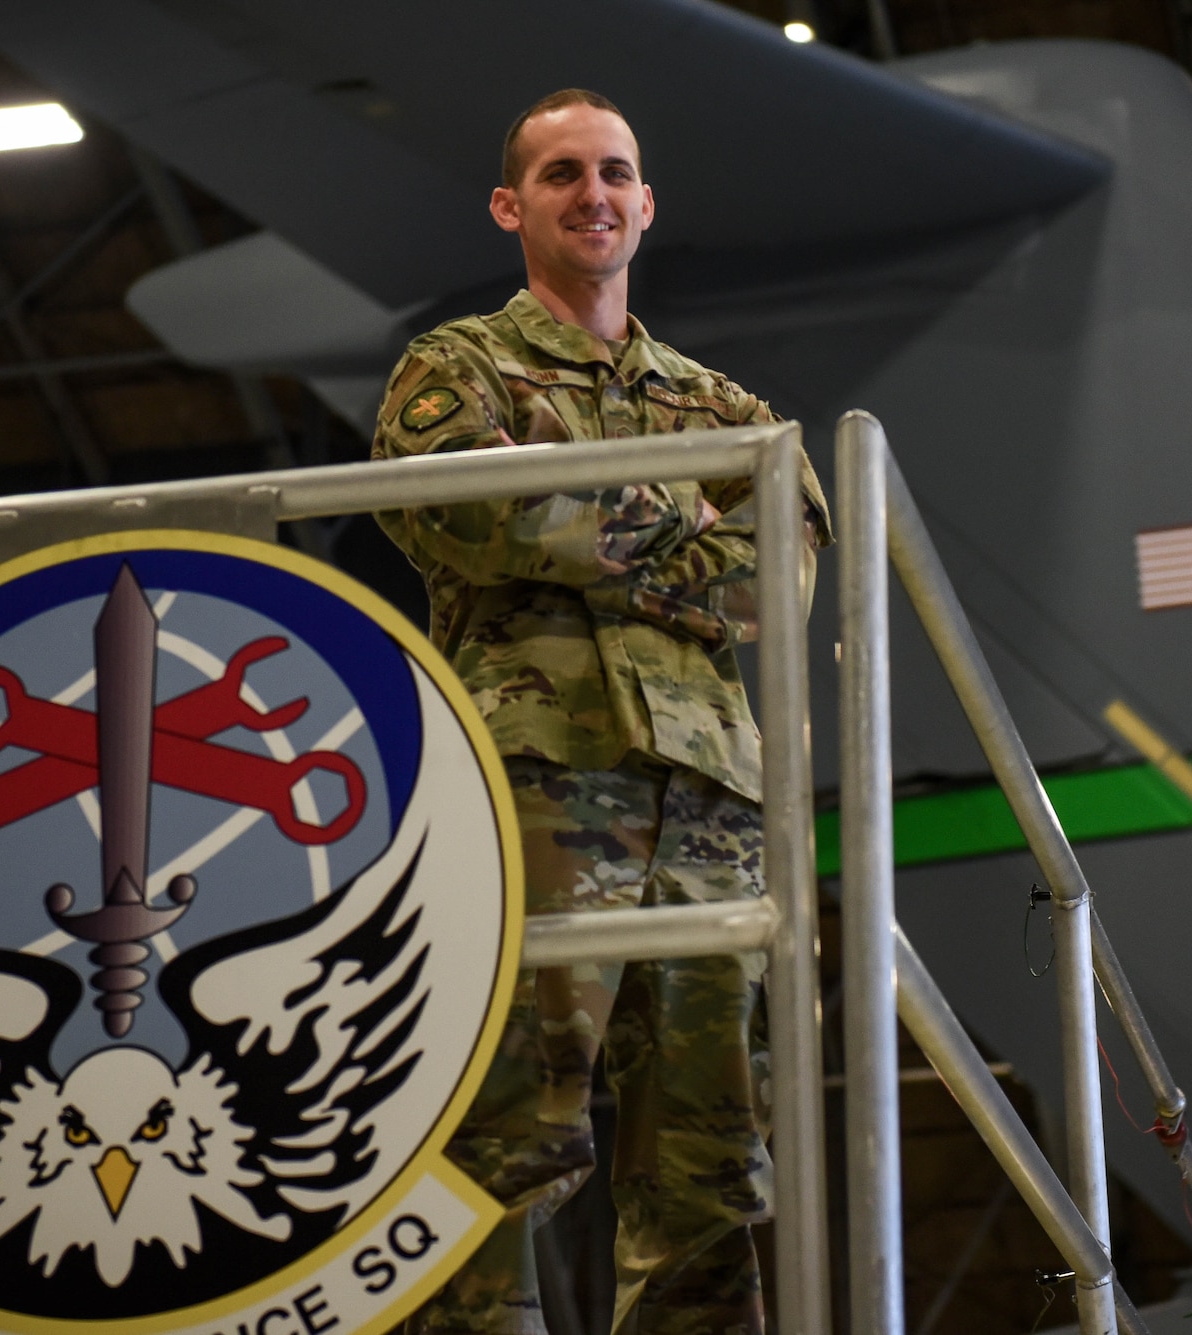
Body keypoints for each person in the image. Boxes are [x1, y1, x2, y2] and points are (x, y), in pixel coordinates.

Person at [371, 88, 829, 1334]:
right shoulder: (455, 370)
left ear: (645, 204)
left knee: (712, 1160)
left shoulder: (722, 407)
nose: (595, 194)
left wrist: (585, 531)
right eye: (563, 173)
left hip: (712, 803)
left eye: (615, 172)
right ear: (511, 205)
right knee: (508, 1126)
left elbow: (774, 565)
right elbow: (458, 510)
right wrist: (677, 530)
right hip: (538, 782)